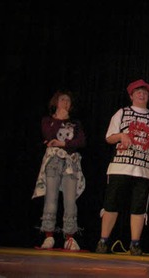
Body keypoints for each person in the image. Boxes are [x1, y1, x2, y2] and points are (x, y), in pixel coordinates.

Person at [95, 79, 149, 256]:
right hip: (120, 167)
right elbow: (109, 137)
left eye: (145, 92)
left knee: (139, 207)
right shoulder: (122, 113)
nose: (142, 94)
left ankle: (135, 244)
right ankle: (103, 241)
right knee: (111, 204)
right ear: (131, 95)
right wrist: (121, 135)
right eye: (138, 92)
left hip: (144, 169)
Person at [32, 90, 86, 251]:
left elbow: (81, 141)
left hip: (70, 163)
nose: (66, 103)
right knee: (51, 198)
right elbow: (49, 136)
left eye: (68, 101)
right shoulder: (48, 120)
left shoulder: (75, 123)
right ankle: (49, 236)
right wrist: (59, 120)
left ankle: (70, 237)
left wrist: (63, 144)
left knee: (70, 201)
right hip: (53, 161)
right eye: (62, 100)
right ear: (56, 102)